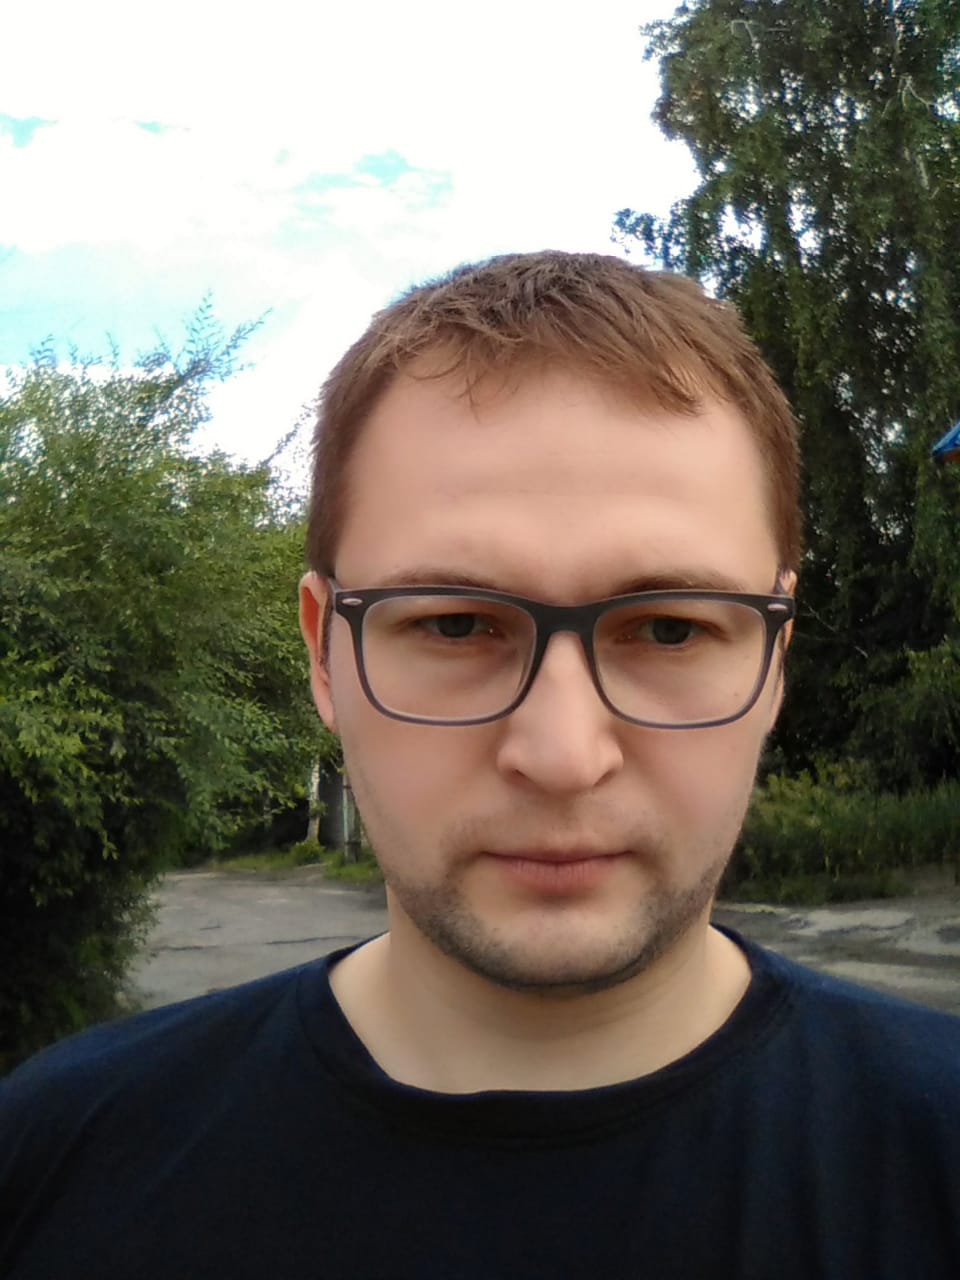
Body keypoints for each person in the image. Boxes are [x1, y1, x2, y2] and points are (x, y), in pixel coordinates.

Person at [1, 251, 958, 1279]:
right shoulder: (53, 1163)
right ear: (325, 654)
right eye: (456, 624)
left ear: (775, 658)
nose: (562, 756)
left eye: (670, 629)